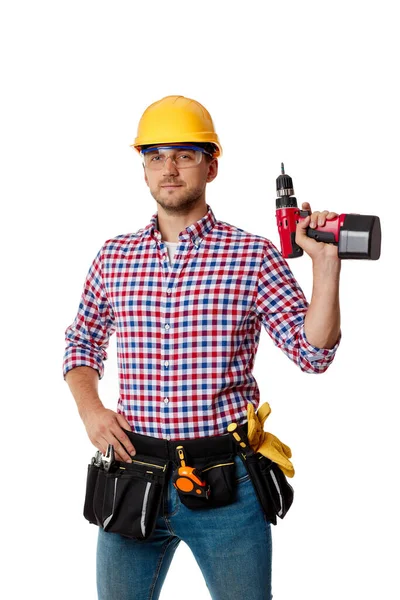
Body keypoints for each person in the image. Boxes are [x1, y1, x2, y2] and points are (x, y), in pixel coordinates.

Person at [63, 95, 341, 600]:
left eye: (185, 154)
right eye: (155, 156)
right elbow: (81, 340)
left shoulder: (251, 255)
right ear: (144, 170)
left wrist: (324, 265)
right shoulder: (114, 257)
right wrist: (90, 410)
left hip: (226, 485)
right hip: (133, 477)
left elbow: (313, 352)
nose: (169, 168)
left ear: (211, 165)